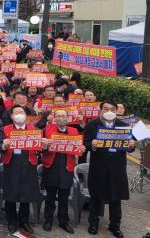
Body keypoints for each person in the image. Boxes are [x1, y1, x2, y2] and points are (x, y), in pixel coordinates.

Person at [83, 101, 135, 238]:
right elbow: (85, 144)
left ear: (116, 110)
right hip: (99, 167)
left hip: (117, 168)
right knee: (96, 196)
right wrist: (92, 145)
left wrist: (130, 145)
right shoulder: (92, 125)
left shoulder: (123, 126)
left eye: (112, 109)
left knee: (116, 198)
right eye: (106, 109)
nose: (109, 111)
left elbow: (130, 147)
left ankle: (115, 226)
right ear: (100, 110)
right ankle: (93, 224)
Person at [0, 105, 47, 234]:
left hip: (29, 164)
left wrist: (44, 145)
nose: (19, 114)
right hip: (11, 164)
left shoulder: (34, 129)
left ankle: (24, 221)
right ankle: (12, 221)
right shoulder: (4, 129)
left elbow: (41, 148)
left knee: (26, 194)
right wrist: (4, 145)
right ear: (12, 116)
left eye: (21, 112)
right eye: (16, 113)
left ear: (25, 115)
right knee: (10, 194)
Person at [41, 109, 81, 234]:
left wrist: (81, 148)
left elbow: (77, 149)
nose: (61, 118)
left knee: (64, 197)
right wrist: (45, 145)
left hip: (67, 167)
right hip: (51, 167)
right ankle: (48, 219)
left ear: (68, 118)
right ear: (54, 118)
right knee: (50, 196)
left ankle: (63, 221)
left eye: (64, 116)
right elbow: (39, 149)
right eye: (58, 116)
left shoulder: (74, 131)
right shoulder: (46, 130)